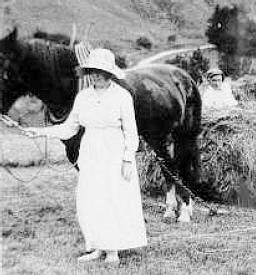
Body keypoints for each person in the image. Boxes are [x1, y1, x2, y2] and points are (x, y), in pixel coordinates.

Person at [23, 48, 147, 264]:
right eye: (93, 70)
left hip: (114, 152)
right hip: (90, 151)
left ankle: (113, 251)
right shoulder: (83, 97)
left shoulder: (122, 96)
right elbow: (69, 128)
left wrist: (128, 158)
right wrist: (40, 132)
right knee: (90, 198)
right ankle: (97, 246)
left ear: (109, 72)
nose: (96, 74)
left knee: (113, 198)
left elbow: (131, 131)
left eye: (101, 70)